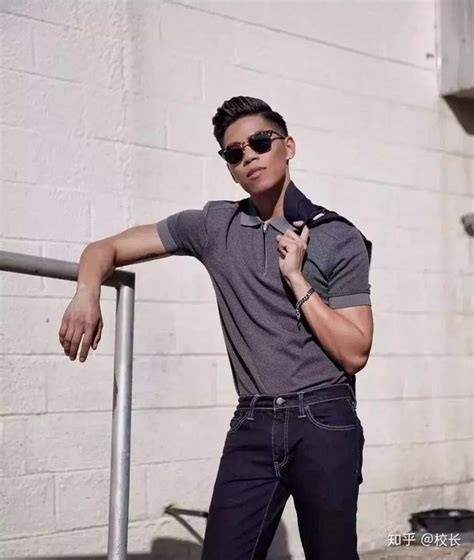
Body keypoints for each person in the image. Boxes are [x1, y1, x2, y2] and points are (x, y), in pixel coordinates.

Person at [59, 95, 373, 560]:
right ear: (229, 167)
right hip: (253, 420)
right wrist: (87, 293)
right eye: (234, 152)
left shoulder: (335, 236)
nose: (249, 156)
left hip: (323, 418)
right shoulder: (214, 226)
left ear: (288, 146)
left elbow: (355, 352)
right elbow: (104, 249)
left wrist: (297, 279)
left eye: (261, 142)